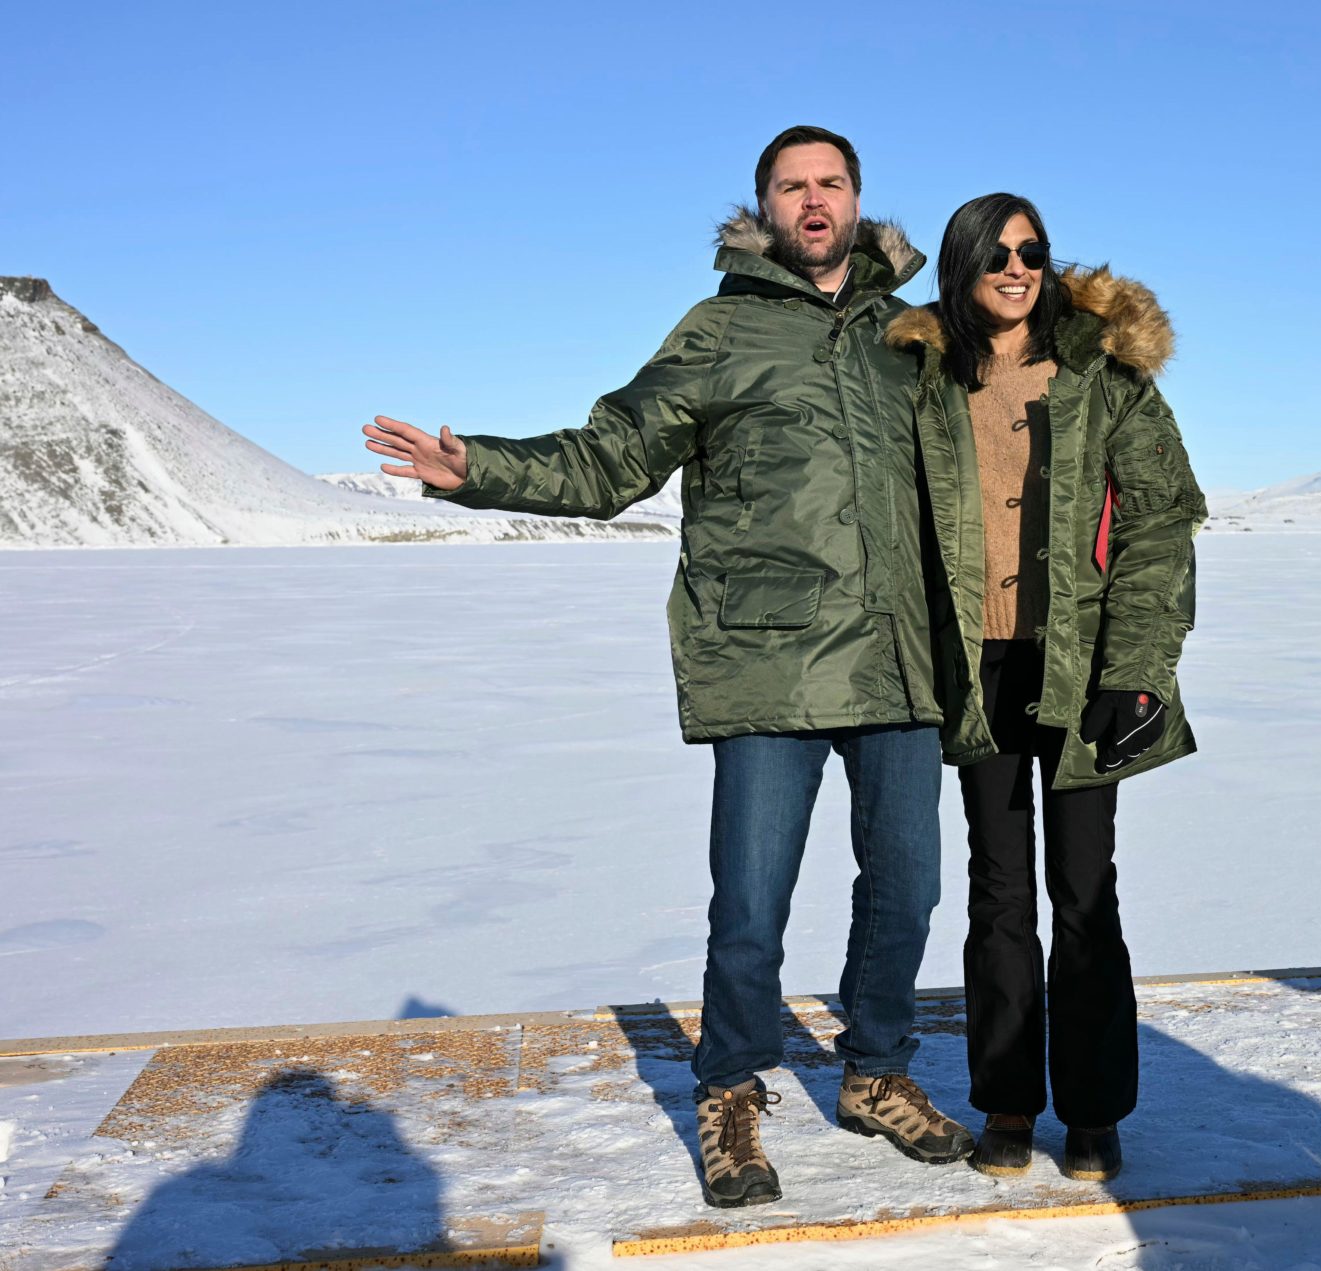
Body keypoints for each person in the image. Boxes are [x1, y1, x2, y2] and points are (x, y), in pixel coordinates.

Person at [361, 126, 973, 1210]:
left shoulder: (913, 334)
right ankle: (730, 1088)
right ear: (765, 210)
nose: (814, 200)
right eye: (793, 186)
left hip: (900, 660)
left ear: (861, 201)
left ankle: (877, 1072)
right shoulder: (720, 330)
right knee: (749, 902)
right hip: (765, 662)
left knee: (910, 888)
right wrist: (476, 469)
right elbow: (612, 456)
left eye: (831, 182)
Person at [886, 194, 1207, 1182]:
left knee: (1084, 889)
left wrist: (1139, 672)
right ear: (963, 267)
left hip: (1081, 670)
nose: (1017, 267)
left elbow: (1159, 522)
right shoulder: (922, 379)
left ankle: (1097, 1109)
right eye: (997, 254)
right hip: (974, 669)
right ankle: (1010, 1102)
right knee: (998, 893)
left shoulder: (1105, 375)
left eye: (1032, 252)